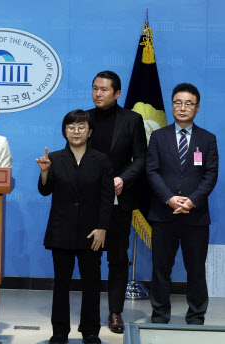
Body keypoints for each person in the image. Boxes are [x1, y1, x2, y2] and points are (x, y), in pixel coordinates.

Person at [36, 110, 114, 344]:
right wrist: (44, 172)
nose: (76, 131)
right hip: (62, 229)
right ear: (64, 131)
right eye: (71, 127)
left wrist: (102, 227)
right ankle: (59, 331)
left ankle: (90, 330)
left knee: (91, 282)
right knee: (61, 283)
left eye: (81, 127)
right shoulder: (56, 158)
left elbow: (107, 197)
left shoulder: (101, 160)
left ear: (90, 132)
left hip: (92, 232)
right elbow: (44, 190)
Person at [146, 83, 218, 325]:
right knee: (160, 269)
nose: (183, 107)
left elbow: (211, 175)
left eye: (189, 103)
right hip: (163, 213)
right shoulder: (158, 136)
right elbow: (152, 171)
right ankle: (160, 314)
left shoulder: (207, 139)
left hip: (195, 215)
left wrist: (192, 201)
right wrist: (169, 198)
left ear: (197, 108)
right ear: (172, 104)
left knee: (196, 269)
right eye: (178, 102)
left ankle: (196, 315)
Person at [87, 70, 147, 333]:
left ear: (117, 93)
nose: (98, 94)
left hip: (120, 200)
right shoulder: (84, 118)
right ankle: (89, 310)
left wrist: (123, 178)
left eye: (104, 90)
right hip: (88, 200)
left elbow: (142, 159)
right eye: (95, 89)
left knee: (118, 258)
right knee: (90, 257)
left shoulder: (132, 119)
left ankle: (115, 312)